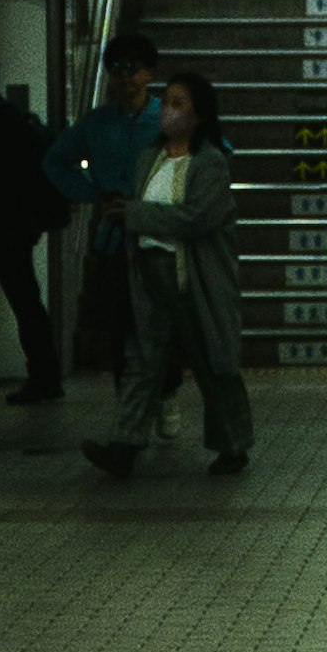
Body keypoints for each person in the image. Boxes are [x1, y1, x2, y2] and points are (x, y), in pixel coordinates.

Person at [93, 68, 250, 480]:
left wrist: (136, 214)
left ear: (198, 116)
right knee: (142, 360)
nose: (167, 111)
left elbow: (194, 217)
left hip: (193, 277)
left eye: (179, 104)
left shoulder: (210, 163)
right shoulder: (152, 157)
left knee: (211, 360)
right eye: (167, 102)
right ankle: (124, 446)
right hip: (150, 274)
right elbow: (154, 211)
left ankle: (233, 445)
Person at [44, 23, 165, 415]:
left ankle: (161, 396)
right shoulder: (96, 123)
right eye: (115, 68)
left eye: (132, 68)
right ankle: (130, 407)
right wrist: (91, 194)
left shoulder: (166, 118)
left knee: (161, 323)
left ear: (149, 72)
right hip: (113, 237)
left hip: (158, 235)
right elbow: (54, 160)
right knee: (118, 325)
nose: (123, 77)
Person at [0, 56, 62, 401]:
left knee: (22, 304)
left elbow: (3, 177)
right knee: (27, 303)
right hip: (9, 229)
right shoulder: (2, 115)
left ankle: (44, 376)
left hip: (0, 229)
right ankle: (45, 376)